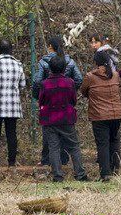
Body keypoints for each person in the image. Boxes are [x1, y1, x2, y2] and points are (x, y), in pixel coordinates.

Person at [33, 36, 83, 166]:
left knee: (49, 135)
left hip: (49, 103)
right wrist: (70, 90)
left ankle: (46, 160)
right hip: (66, 103)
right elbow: (78, 79)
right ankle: (64, 159)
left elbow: (37, 81)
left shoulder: (44, 62)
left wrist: (41, 95)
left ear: (50, 46)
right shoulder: (69, 61)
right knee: (67, 135)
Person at [37, 56, 88, 182]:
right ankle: (80, 174)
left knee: (53, 147)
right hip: (66, 117)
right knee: (74, 146)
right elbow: (73, 100)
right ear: (64, 68)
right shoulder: (70, 82)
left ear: (50, 69)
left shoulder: (45, 84)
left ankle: (58, 175)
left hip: (50, 119)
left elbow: (41, 101)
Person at [81, 49, 121, 180]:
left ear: (96, 62)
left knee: (102, 144)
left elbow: (83, 91)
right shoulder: (115, 75)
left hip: (99, 115)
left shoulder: (90, 76)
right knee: (114, 141)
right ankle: (116, 169)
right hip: (116, 114)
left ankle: (105, 174)